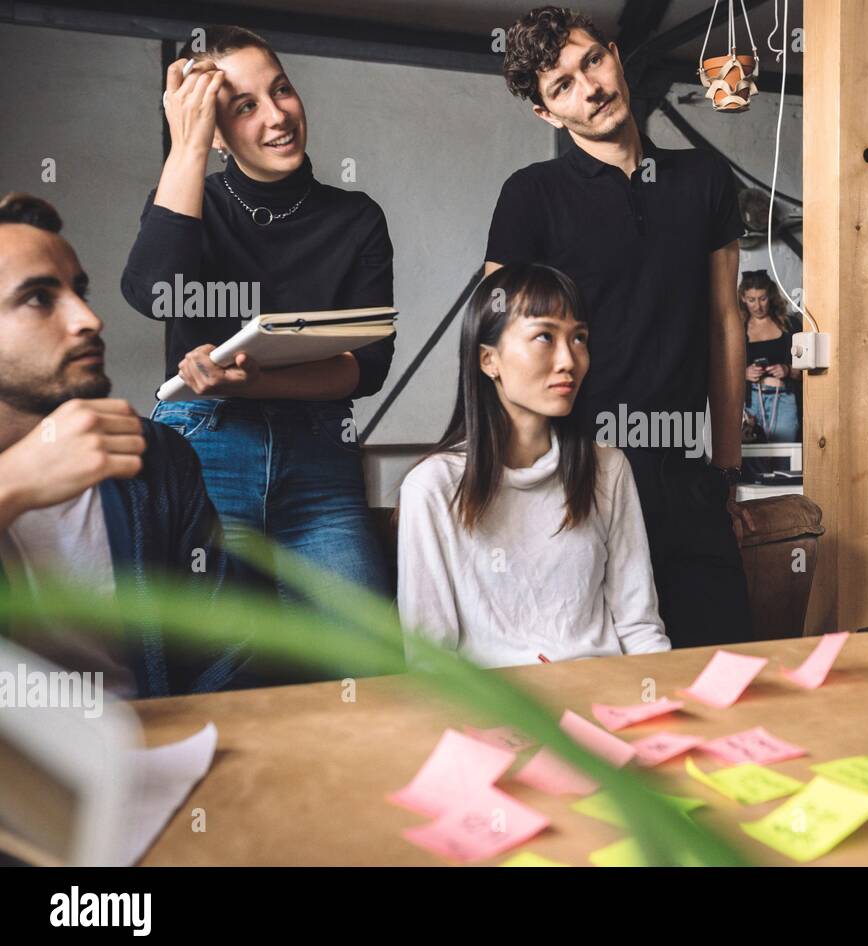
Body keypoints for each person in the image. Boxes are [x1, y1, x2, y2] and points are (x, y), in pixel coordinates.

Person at [486, 6, 752, 648]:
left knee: (720, 659)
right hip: (579, 470)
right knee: (597, 674)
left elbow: (724, 322)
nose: (591, 88)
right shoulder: (531, 194)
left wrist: (726, 465)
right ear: (547, 114)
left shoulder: (706, 179)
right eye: (563, 86)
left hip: (688, 472)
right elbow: (496, 339)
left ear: (614, 55)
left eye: (592, 62)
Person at [120, 25, 395, 598]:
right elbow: (153, 292)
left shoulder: (357, 217)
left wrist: (260, 379)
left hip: (318, 454)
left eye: (282, 90)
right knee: (221, 661)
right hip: (206, 440)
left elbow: (367, 367)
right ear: (217, 133)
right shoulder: (194, 201)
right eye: (245, 106)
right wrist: (188, 145)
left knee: (366, 661)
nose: (276, 116)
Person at [0, 193, 245, 697]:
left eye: (79, 291)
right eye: (39, 298)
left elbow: (227, 647)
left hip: (154, 749)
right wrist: (13, 485)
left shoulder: (153, 453)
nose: (89, 318)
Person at [397, 263, 670, 668]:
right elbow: (431, 660)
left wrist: (664, 705)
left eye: (579, 338)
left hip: (605, 701)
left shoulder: (608, 468)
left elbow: (639, 627)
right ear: (488, 360)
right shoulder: (432, 486)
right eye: (545, 336)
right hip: (501, 714)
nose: (569, 360)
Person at [740, 269, 801, 445]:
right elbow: (721, 370)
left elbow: (809, 368)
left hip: (784, 400)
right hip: (750, 404)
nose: (758, 306)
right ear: (743, 299)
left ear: (771, 296)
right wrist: (743, 373)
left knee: (785, 458)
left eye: (763, 298)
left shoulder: (790, 325)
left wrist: (787, 369)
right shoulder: (737, 328)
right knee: (752, 462)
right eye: (751, 300)